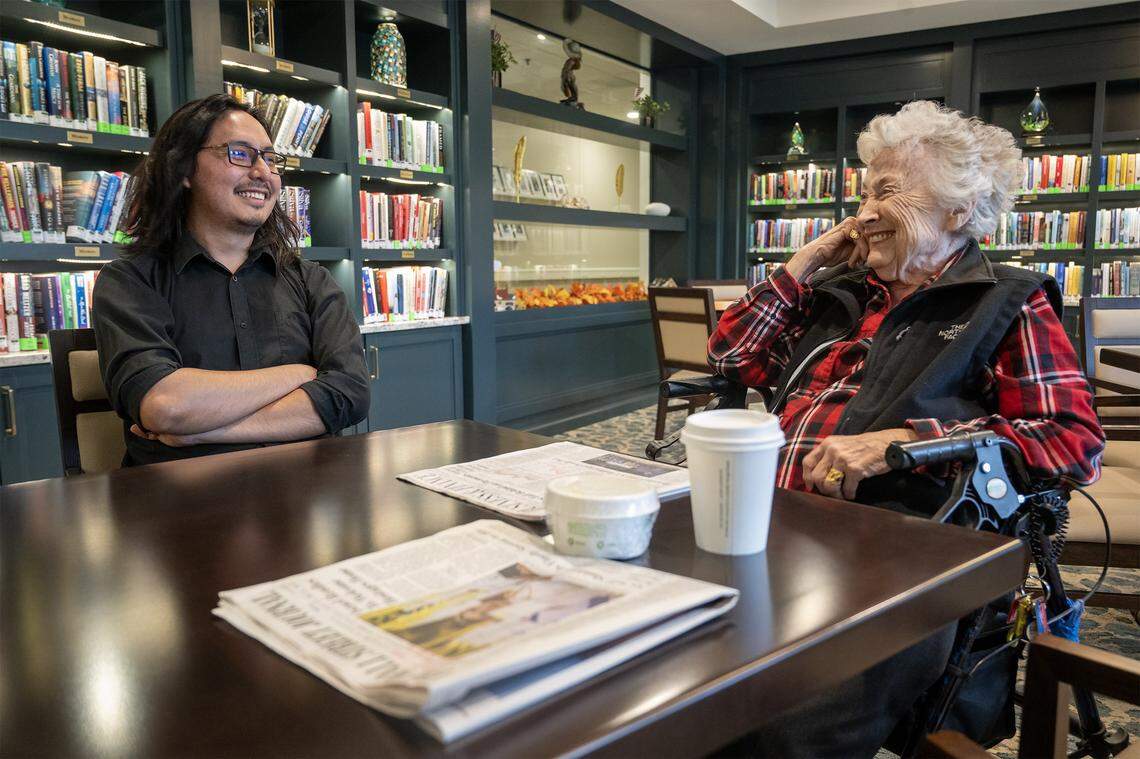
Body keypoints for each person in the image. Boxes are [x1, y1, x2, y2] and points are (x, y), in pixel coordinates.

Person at [708, 101, 1104, 758]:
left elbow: (1071, 441)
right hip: (767, 533)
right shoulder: (840, 293)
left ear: (957, 210)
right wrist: (806, 260)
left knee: (778, 738)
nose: (863, 213)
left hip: (892, 566)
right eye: (863, 194)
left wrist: (909, 444)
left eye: (885, 192)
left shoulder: (1004, 301)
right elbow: (730, 355)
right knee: (666, 683)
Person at [93, 94, 369, 466]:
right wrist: (299, 374)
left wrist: (201, 431)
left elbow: (350, 393)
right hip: (179, 495)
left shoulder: (312, 281)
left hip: (305, 487)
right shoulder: (130, 282)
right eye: (240, 154)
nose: (263, 172)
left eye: (270, 159)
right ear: (184, 169)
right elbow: (165, 405)